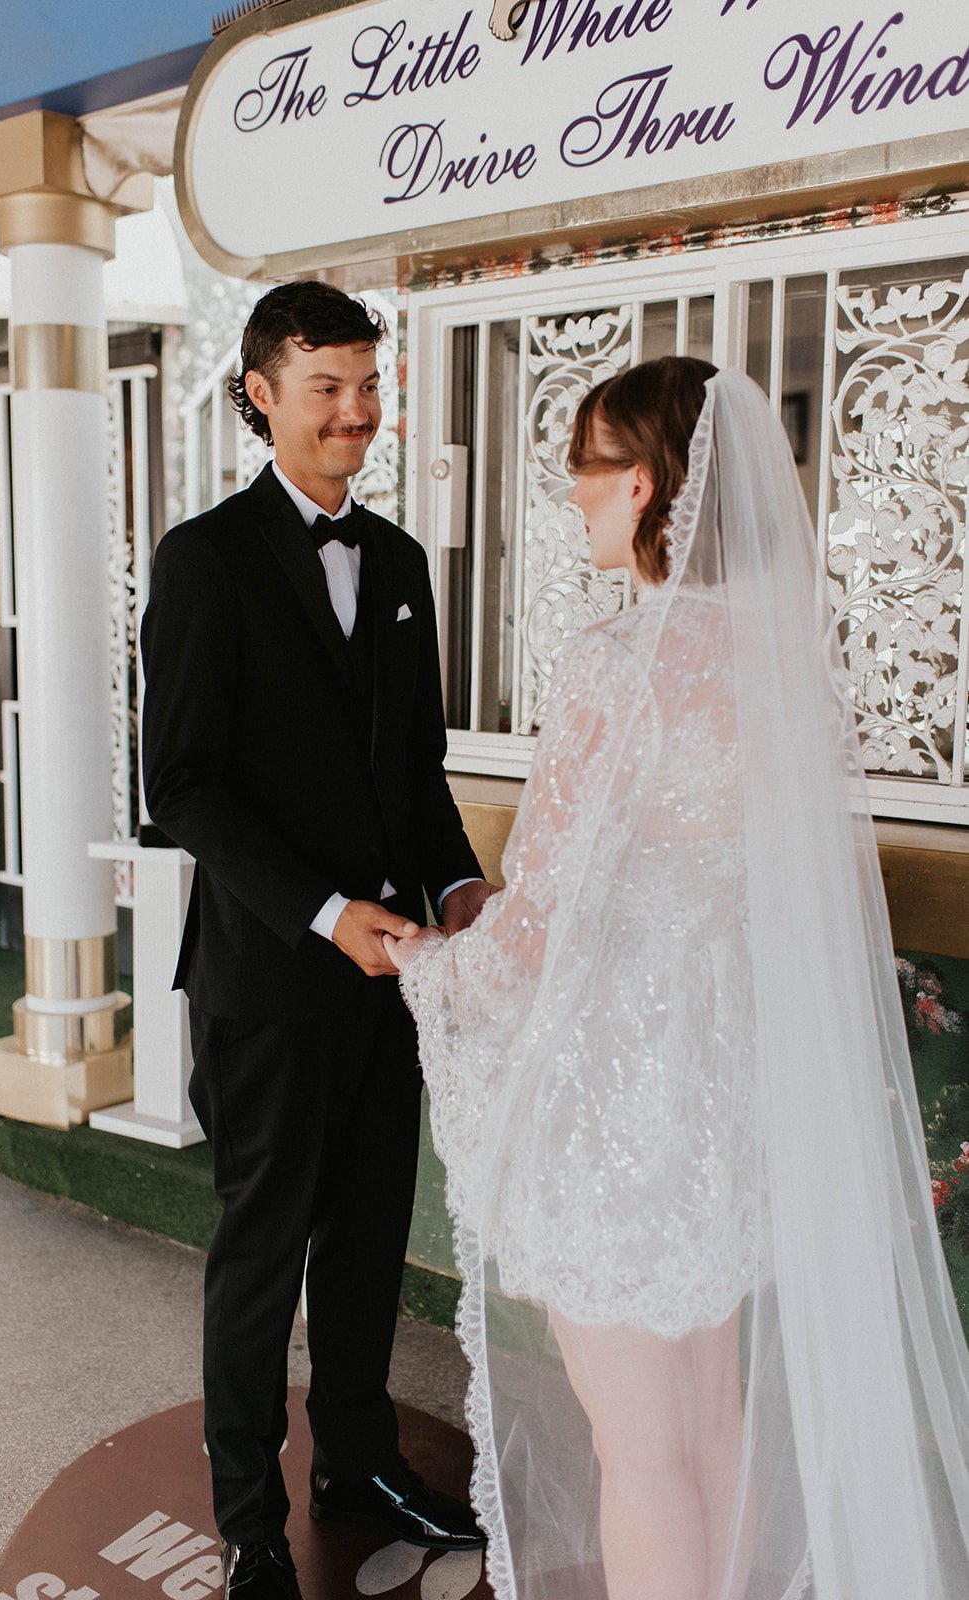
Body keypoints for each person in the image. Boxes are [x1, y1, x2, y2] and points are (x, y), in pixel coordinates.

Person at [386, 358, 969, 1600]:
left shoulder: (616, 665)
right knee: (711, 1424)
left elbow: (539, 924)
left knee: (637, 1446)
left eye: (583, 472)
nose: (571, 498)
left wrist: (431, 963)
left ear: (643, 483)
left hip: (617, 1113)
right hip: (724, 1103)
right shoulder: (785, 670)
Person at [141, 279, 493, 1600]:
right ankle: (248, 1523)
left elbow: (417, 776)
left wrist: (457, 888)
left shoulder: (399, 565)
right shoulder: (204, 560)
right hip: (268, 978)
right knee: (261, 1253)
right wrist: (326, 912)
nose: (356, 413)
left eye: (367, 384)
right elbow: (179, 788)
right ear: (261, 395)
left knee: (361, 1238)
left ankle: (356, 1463)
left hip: (392, 981)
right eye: (326, 387)